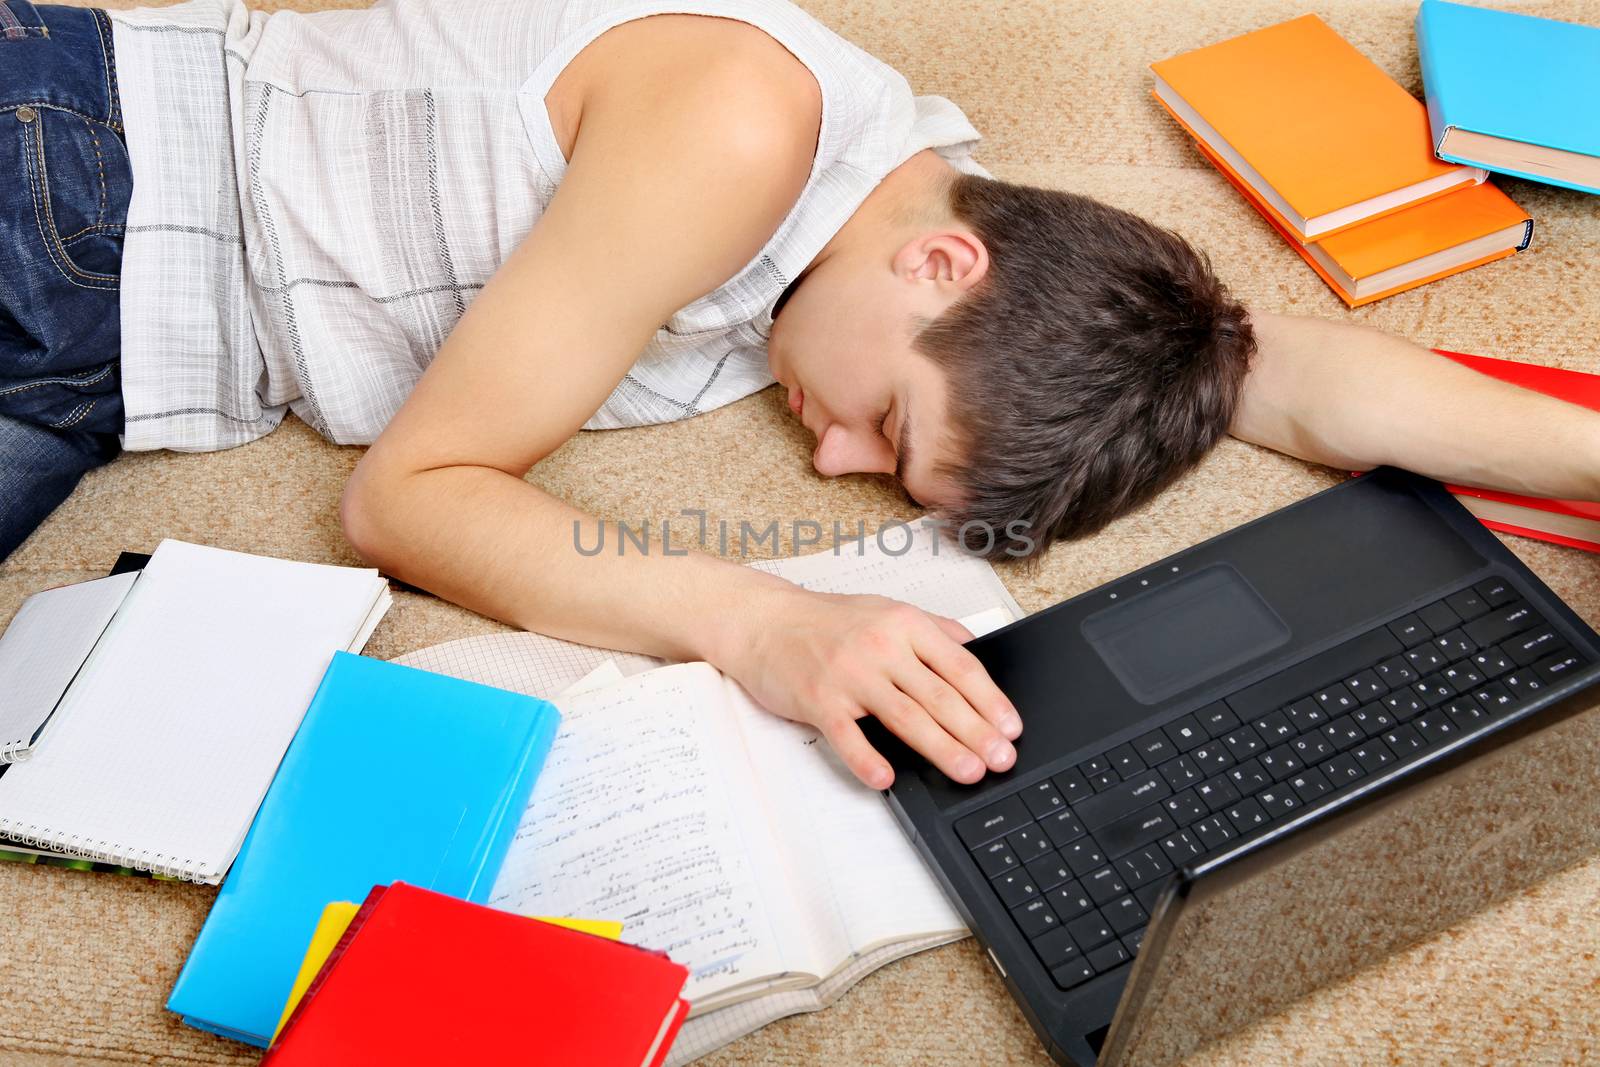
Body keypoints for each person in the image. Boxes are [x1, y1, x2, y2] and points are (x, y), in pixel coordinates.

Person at [4, 0, 1597, 791]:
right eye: (886, 427)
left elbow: (1278, 373)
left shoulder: (949, 219)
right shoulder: (738, 124)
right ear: (940, 276)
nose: (829, 461)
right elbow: (409, 497)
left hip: (120, 370)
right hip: (81, 182)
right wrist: (766, 623)